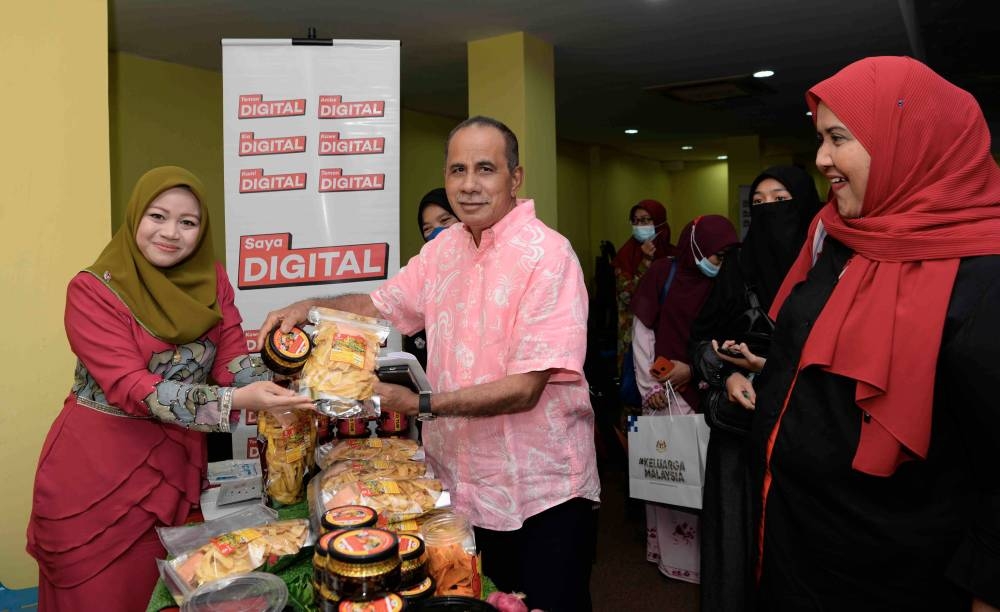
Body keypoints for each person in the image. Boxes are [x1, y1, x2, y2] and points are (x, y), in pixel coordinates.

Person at [260, 116, 601, 611]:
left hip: (540, 495)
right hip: (458, 493)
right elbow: (381, 303)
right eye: (457, 169)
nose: (469, 184)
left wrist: (419, 403)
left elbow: (527, 388)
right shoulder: (445, 251)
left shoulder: (549, 256)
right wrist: (309, 308)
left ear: (515, 177)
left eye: (486, 169)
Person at [746, 57, 1000, 611]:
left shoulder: (984, 274)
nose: (821, 160)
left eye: (838, 138)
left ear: (911, 142)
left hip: (898, 575)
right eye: (819, 138)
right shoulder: (835, 237)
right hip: (794, 546)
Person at [25, 166, 314, 611]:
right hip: (96, 473)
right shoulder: (92, 291)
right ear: (135, 216)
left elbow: (231, 358)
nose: (171, 233)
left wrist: (295, 376)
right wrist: (237, 401)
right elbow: (134, 388)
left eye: (188, 222)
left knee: (170, 593)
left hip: (175, 463)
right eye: (157, 216)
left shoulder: (211, 280)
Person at [687, 166, 821, 612]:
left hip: (806, 428)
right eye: (758, 205)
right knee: (736, 542)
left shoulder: (830, 266)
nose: (768, 213)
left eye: (780, 201)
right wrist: (730, 375)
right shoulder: (738, 266)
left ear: (805, 203)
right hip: (738, 431)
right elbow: (701, 338)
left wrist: (771, 367)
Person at [630, 214, 738, 582]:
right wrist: (652, 389)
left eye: (725, 256)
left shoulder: (728, 281)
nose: (718, 263)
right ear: (695, 247)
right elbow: (643, 332)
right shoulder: (664, 273)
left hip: (708, 393)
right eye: (714, 254)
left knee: (705, 482)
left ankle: (708, 562)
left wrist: (697, 370)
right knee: (668, 475)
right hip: (664, 394)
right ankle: (671, 558)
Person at [612, 200, 675, 374]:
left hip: (668, 333)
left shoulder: (675, 255)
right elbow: (626, 295)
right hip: (633, 335)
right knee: (635, 389)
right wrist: (646, 262)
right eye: (636, 220)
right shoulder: (625, 255)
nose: (640, 225)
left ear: (660, 222)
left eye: (646, 220)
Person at [402, 187, 459, 367]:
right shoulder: (418, 276)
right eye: (428, 228)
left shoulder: (487, 272)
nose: (437, 233)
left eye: (445, 220)